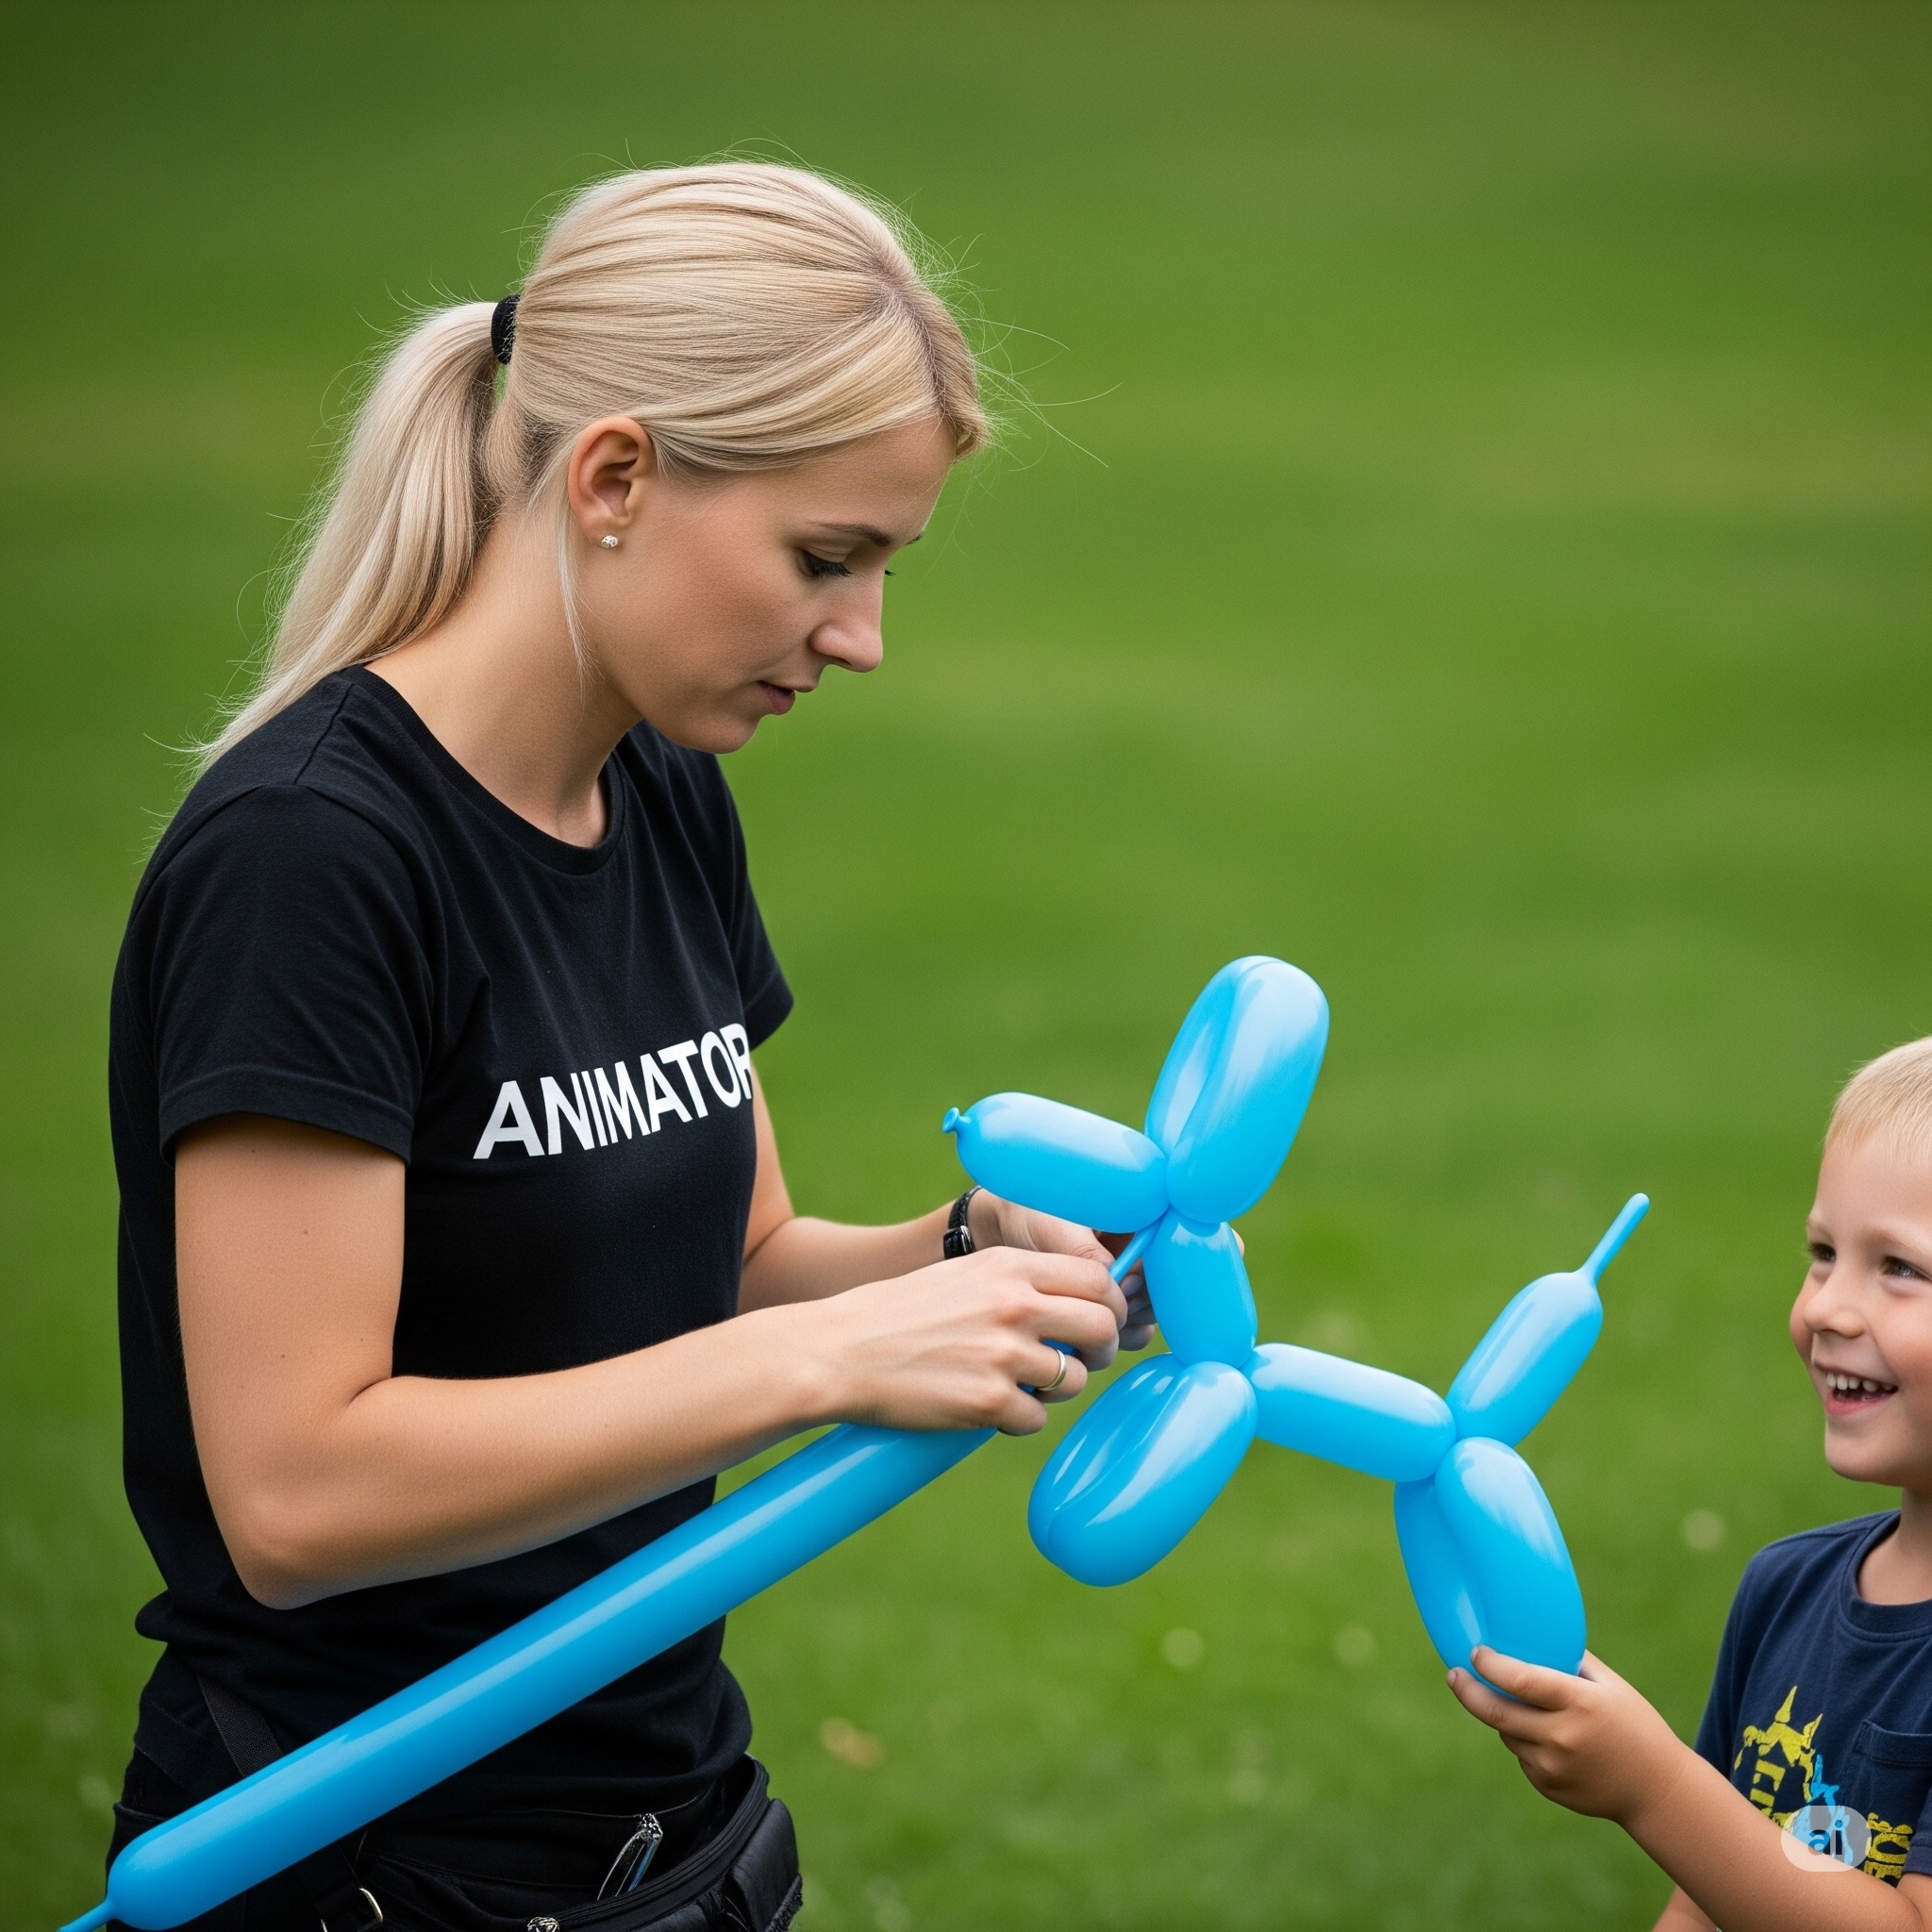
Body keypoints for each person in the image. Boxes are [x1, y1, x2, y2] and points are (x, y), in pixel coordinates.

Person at [105, 163, 1151, 1932]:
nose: (862, 638)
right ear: (612, 478)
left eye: (884, 569)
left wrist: (964, 1261)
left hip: (674, 1829)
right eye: (827, 559)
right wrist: (834, 1367)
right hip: (355, 1856)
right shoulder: (311, 857)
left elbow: (734, 1266)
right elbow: (295, 1484)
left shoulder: (656, 788)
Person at [1449, 1038, 1932, 1929]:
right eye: (1824, 1252)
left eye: (1899, 1267)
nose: (1825, 1304)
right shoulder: (1784, 1589)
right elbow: (1712, 1895)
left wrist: (1654, 1785)